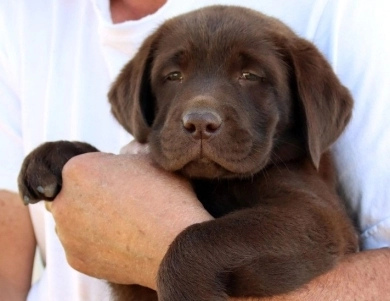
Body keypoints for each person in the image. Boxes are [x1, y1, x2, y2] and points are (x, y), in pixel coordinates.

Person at [0, 0, 389, 300]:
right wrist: (79, 166)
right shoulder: (23, 15)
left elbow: (319, 233)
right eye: (173, 76)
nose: (200, 113)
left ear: (309, 106)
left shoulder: (348, 14)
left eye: (250, 76)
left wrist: (184, 259)